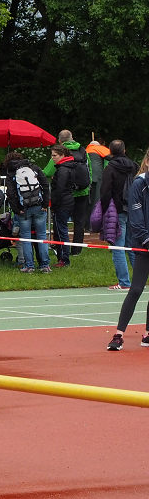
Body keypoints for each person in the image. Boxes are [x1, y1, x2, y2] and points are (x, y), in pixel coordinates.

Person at [106, 148, 149, 351]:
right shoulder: (139, 183)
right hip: (144, 245)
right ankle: (118, 335)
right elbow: (136, 217)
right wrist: (146, 240)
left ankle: (147, 333)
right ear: (147, 161)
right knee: (136, 289)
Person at [2, 152, 52, 273]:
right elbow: (45, 185)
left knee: (26, 238)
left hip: (23, 210)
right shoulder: (34, 168)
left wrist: (16, 210)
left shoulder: (11, 173)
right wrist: (45, 204)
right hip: (39, 206)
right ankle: (45, 265)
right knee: (42, 236)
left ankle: (29, 266)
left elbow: (11, 194)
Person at [44, 129, 90, 257]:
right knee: (79, 222)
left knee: (60, 221)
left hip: (65, 193)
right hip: (83, 191)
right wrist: (86, 186)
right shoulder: (83, 150)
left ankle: (60, 247)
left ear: (59, 140)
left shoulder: (59, 152)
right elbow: (89, 170)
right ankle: (76, 250)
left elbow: (48, 171)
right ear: (72, 137)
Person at [99, 139, 137, 290]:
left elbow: (105, 191)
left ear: (110, 151)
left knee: (117, 246)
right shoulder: (134, 166)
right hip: (133, 209)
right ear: (124, 150)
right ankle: (139, 280)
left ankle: (124, 282)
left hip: (117, 209)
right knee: (131, 246)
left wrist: (104, 209)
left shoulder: (110, 168)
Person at [49, 143, 77, 267]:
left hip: (62, 203)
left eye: (54, 155)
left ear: (62, 155)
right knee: (60, 230)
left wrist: (54, 204)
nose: (52, 158)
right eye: (52, 155)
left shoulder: (63, 170)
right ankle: (62, 257)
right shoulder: (68, 167)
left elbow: (59, 189)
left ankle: (64, 259)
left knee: (61, 231)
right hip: (67, 201)